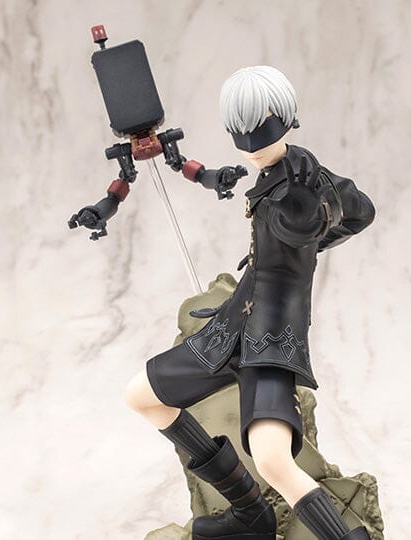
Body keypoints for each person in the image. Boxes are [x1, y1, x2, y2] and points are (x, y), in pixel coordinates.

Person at [125, 65, 375, 540]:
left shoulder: (303, 186)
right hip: (230, 328)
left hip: (272, 341)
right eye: (240, 133)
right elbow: (350, 215)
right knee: (142, 396)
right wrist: (294, 253)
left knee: (274, 460)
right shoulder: (281, 173)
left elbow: (347, 213)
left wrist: (309, 236)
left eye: (263, 129)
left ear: (288, 119)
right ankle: (248, 512)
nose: (253, 145)